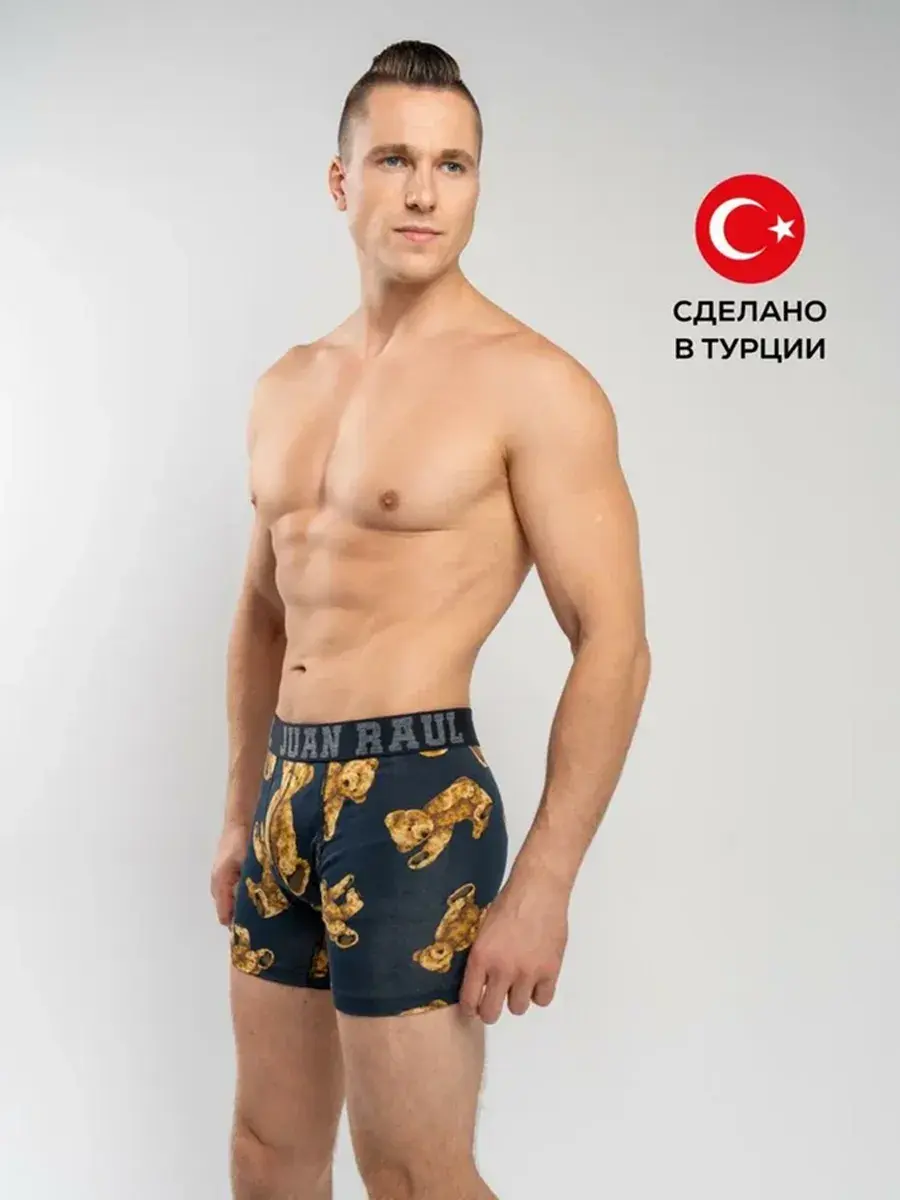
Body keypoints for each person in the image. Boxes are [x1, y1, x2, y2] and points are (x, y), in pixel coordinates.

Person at [209, 38, 651, 1200]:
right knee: (266, 1156)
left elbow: (613, 639)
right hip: (285, 799)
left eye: (452, 166)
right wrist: (239, 809)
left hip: (415, 796)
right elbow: (263, 613)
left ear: (475, 184)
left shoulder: (533, 383)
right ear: (340, 178)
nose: (423, 192)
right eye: (395, 159)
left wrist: (546, 880)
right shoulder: (287, 384)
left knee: (411, 1174)